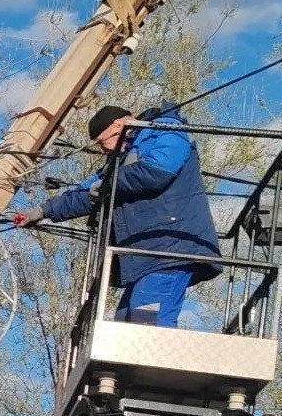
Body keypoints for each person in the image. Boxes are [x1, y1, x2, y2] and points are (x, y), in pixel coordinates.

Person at [15, 104, 222, 328]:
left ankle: (151, 363)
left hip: (169, 248)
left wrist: (107, 183)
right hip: (145, 253)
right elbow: (87, 192)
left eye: (103, 142)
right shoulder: (119, 163)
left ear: (119, 125)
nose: (104, 150)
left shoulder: (166, 130)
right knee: (125, 323)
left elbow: (158, 171)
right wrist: (43, 211)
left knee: (146, 323)